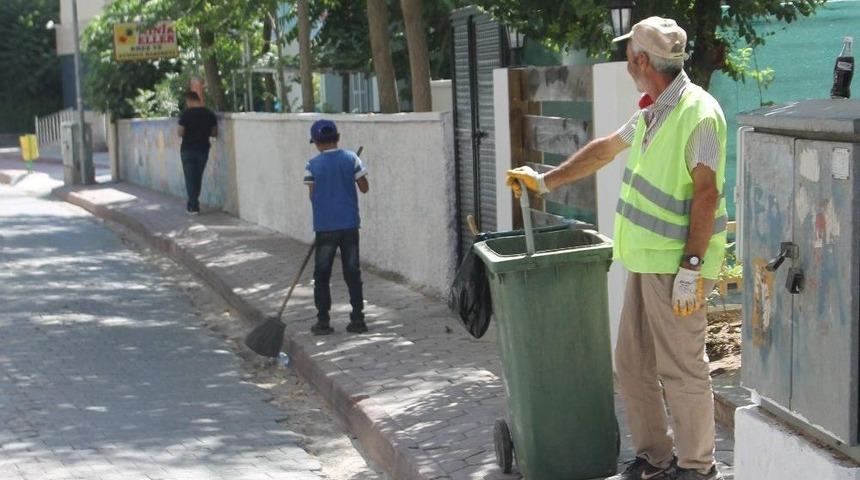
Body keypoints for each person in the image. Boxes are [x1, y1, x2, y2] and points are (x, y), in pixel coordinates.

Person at [506, 17, 727, 480]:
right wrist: (544, 181)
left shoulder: (698, 112)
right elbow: (605, 149)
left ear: (642, 60)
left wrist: (691, 266)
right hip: (648, 262)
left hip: (677, 266)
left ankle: (697, 466)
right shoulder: (652, 111)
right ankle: (656, 456)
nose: (626, 63)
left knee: (683, 369)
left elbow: (706, 194)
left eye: (629, 55)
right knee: (632, 364)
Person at [304, 119, 370, 335]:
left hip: (325, 227)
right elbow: (364, 187)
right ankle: (358, 320)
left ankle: (323, 322)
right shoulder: (352, 159)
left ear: (315, 142)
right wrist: (349, 178)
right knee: (352, 272)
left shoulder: (312, 165)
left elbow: (313, 196)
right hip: (350, 225)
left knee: (322, 274)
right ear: (338, 138)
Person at [177, 91, 217, 214]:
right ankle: (194, 203)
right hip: (203, 149)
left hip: (187, 150)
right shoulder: (209, 113)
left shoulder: (186, 114)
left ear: (189, 100)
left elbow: (180, 132)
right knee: (197, 177)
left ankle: (193, 206)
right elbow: (214, 133)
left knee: (190, 178)